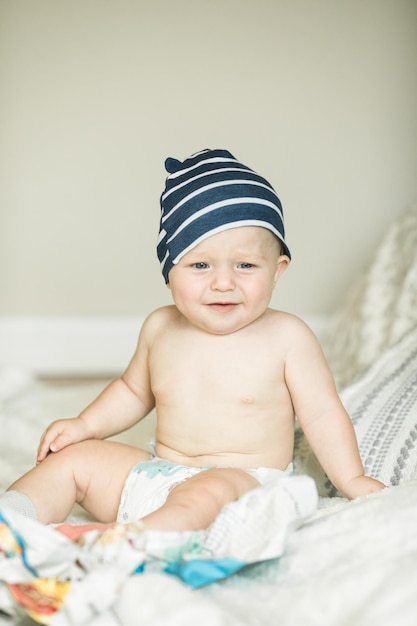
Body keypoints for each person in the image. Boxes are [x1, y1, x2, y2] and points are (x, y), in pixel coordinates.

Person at [0, 149, 385, 534]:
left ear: (277, 270)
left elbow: (322, 414)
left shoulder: (288, 337)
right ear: (170, 273)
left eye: (246, 265)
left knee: (205, 491)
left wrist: (351, 479)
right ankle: (12, 520)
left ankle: (122, 539)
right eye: (200, 265)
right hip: (156, 476)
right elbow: (133, 392)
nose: (223, 282)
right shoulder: (160, 327)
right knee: (72, 461)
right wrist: (85, 426)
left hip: (242, 486)